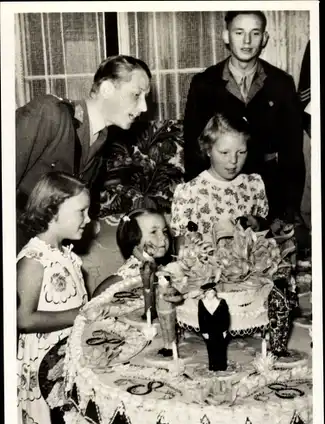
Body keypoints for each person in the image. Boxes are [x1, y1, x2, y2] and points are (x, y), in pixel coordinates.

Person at [16, 171, 105, 424]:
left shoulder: (66, 255)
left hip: (64, 366)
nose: (89, 218)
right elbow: (22, 318)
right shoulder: (33, 261)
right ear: (52, 211)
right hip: (40, 368)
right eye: (81, 211)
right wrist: (80, 314)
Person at [16, 55, 152, 250]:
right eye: (137, 95)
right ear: (106, 89)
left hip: (45, 247)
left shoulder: (100, 141)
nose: (144, 107)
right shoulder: (50, 113)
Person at [183, 10, 305, 225]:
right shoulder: (203, 84)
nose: (247, 41)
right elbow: (194, 147)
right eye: (239, 32)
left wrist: (291, 207)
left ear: (264, 38)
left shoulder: (282, 83)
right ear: (226, 37)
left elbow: (292, 152)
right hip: (216, 194)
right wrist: (197, 198)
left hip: (268, 195)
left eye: (255, 33)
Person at [170, 112, 268, 247]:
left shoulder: (254, 185)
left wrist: (258, 224)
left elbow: (264, 228)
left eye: (241, 152)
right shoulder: (189, 193)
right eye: (224, 153)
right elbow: (180, 247)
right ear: (208, 149)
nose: (233, 161)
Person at [92, 208, 174, 305]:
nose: (164, 237)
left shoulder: (160, 268)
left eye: (164, 231)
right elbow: (99, 294)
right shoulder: (132, 272)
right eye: (153, 232)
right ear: (133, 237)